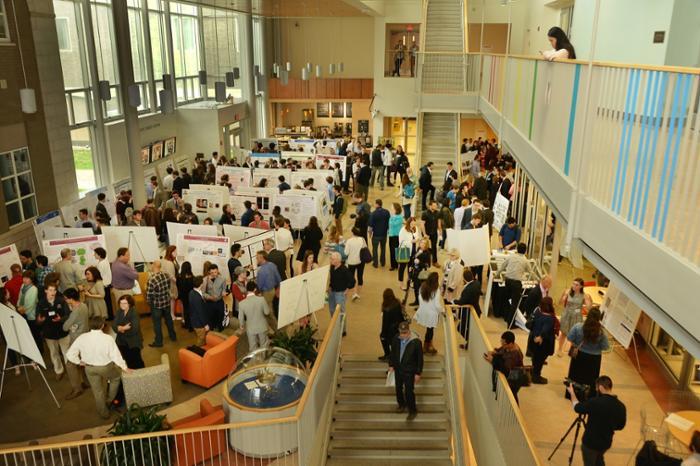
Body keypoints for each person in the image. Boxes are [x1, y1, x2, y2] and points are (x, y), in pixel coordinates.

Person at [66, 316, 131, 419]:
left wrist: (79, 362)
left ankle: (103, 413)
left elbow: (69, 354)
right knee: (116, 378)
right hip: (105, 367)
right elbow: (115, 356)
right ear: (102, 326)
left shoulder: (82, 337)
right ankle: (109, 400)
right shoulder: (107, 338)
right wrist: (125, 367)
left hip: (89, 368)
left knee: (97, 391)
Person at [567, 375, 626, 466]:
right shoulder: (621, 406)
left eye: (597, 388)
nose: (596, 390)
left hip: (590, 443)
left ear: (601, 388)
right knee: (599, 459)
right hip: (606, 443)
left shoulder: (595, 402)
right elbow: (621, 426)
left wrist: (572, 393)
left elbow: (577, 408)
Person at [566, 307, 610, 398]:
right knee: (590, 378)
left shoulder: (578, 326)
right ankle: (587, 396)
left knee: (575, 375)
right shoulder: (601, 332)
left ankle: (571, 394)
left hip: (579, 355)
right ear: (599, 318)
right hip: (594, 358)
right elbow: (605, 347)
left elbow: (569, 337)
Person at [388, 321, 423, 421]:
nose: (403, 335)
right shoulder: (396, 339)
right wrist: (391, 365)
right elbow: (393, 353)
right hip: (398, 369)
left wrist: (418, 373)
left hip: (409, 371)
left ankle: (412, 410)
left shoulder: (416, 342)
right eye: (401, 332)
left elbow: (420, 359)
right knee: (398, 388)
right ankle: (401, 405)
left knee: (409, 391)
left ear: (409, 331)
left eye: (405, 333)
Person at [36, 283, 70, 381]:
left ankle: (70, 370)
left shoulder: (61, 301)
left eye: (54, 290)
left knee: (66, 352)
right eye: (50, 290)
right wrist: (40, 320)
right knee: (54, 353)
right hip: (49, 334)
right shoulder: (41, 303)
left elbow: (68, 315)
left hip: (62, 331)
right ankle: (59, 371)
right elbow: (37, 320)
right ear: (46, 291)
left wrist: (61, 319)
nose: (53, 292)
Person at [61, 287, 90, 400]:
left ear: (71, 299)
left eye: (66, 299)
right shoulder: (83, 305)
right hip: (85, 337)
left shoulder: (75, 312)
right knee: (83, 361)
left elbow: (64, 327)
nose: (65, 300)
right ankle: (86, 382)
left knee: (70, 364)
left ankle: (77, 388)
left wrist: (70, 324)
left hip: (77, 341)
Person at [484, 331, 525, 403]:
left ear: (511, 343)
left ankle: (515, 411)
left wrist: (493, 360)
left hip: (515, 377)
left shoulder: (514, 354)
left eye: (504, 344)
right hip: (512, 373)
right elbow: (502, 350)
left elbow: (506, 369)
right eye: (501, 342)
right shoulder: (507, 346)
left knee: (512, 395)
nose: (502, 345)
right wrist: (495, 352)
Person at [558, 277, 593, 356]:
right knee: (563, 333)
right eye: (573, 284)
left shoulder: (584, 295)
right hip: (566, 314)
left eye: (576, 285)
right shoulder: (567, 291)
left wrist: (589, 300)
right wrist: (564, 296)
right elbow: (559, 303)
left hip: (576, 316)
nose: (574, 286)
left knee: (575, 334)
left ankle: (572, 351)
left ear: (581, 287)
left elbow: (589, 308)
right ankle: (559, 349)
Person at [146, 260, 178, 347]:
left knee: (157, 324)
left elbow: (149, 296)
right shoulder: (166, 275)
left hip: (156, 305)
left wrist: (150, 303)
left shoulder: (151, 279)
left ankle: (159, 342)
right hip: (166, 303)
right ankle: (173, 336)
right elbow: (168, 287)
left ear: (154, 266)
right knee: (169, 321)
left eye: (152, 264)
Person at [527, 296, 558, 384]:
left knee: (535, 358)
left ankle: (533, 373)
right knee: (540, 360)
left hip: (533, 338)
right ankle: (536, 377)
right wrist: (541, 336)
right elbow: (546, 329)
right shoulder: (549, 318)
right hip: (543, 343)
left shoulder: (537, 311)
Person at [497, 242, 529, 326]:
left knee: (507, 299)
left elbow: (502, 266)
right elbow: (530, 271)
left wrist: (496, 275)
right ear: (525, 251)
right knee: (514, 304)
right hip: (516, 284)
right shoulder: (525, 260)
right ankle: (510, 323)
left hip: (508, 281)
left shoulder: (511, 256)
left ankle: (506, 317)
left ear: (517, 249)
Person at [112, 295, 144, 369]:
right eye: (120, 303)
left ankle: (142, 376)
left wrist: (120, 329)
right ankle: (132, 378)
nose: (122, 305)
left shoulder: (134, 312)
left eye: (125, 303)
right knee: (128, 360)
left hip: (133, 342)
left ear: (129, 304)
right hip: (122, 342)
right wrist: (123, 328)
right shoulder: (119, 311)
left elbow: (134, 329)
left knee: (137, 361)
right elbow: (113, 325)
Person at [414, 272, 442, 354]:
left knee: (428, 329)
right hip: (431, 313)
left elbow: (420, 298)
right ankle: (426, 346)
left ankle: (428, 345)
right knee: (430, 330)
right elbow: (437, 305)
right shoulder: (436, 290)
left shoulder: (423, 286)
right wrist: (442, 310)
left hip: (423, 311)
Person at [238, 281, 271, 351]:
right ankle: (264, 359)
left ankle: (255, 361)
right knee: (264, 346)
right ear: (255, 289)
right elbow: (267, 312)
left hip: (250, 328)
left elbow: (241, 318)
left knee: (253, 348)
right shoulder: (261, 299)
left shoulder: (241, 304)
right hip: (262, 326)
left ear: (247, 290)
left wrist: (241, 326)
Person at [328, 252, 354, 336]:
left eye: (332, 259)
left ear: (338, 260)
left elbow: (352, 281)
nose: (330, 260)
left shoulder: (344, 270)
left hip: (340, 293)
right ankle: (334, 326)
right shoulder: (332, 267)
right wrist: (329, 287)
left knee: (341, 312)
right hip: (332, 292)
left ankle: (343, 330)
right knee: (332, 310)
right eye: (331, 258)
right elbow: (332, 279)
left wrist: (347, 289)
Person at [17, 271, 41, 351]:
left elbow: (30, 305)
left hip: (31, 315)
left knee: (36, 333)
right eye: (23, 277)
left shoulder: (34, 289)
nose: (24, 280)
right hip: (22, 312)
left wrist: (22, 311)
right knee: (28, 333)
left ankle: (40, 349)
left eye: (27, 278)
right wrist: (18, 307)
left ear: (32, 279)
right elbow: (19, 297)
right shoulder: (22, 286)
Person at [379, 288, 404, 361]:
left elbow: (385, 323)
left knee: (383, 337)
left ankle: (387, 354)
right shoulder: (397, 302)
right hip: (399, 328)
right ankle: (393, 356)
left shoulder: (386, 308)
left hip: (390, 331)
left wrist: (383, 334)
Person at [255, 251, 281, 320]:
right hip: (273, 290)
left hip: (266, 293)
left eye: (257, 258)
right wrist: (278, 288)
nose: (256, 259)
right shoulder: (272, 265)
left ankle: (276, 328)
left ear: (262, 258)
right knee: (271, 308)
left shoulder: (261, 271)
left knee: (268, 311)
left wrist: (257, 292)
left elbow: (259, 285)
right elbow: (278, 278)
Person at [344, 227, 367, 301]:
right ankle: (357, 293)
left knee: (351, 278)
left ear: (352, 233)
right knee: (360, 276)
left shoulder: (349, 241)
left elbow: (346, 253)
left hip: (351, 262)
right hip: (361, 261)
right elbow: (365, 248)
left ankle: (349, 292)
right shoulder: (362, 239)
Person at [398, 217, 421, 289]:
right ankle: (401, 284)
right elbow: (401, 241)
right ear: (409, 222)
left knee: (411, 268)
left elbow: (417, 236)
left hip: (413, 251)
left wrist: (417, 239)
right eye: (412, 223)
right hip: (405, 250)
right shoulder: (403, 230)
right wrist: (411, 241)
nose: (413, 224)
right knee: (402, 268)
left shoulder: (415, 228)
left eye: (414, 223)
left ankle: (410, 282)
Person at [202, 264, 227, 332]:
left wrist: (223, 292)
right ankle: (211, 331)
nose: (214, 274)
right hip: (210, 303)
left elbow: (224, 289)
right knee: (210, 318)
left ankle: (220, 329)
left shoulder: (222, 279)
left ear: (218, 270)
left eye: (215, 272)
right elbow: (203, 293)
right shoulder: (205, 280)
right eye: (212, 272)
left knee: (220, 315)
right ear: (209, 272)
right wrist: (210, 297)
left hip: (219, 301)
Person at [368, 199, 390, 268]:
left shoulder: (373, 213)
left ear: (377, 204)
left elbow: (370, 226)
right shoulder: (387, 212)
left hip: (376, 235)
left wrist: (370, 234)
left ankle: (375, 263)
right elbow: (389, 222)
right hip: (384, 234)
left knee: (375, 249)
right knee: (383, 248)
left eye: (374, 204)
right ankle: (383, 262)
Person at [189, 276, 209, 345]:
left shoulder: (191, 292)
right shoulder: (197, 298)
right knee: (201, 340)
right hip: (199, 324)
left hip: (194, 320)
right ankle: (199, 351)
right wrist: (205, 325)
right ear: (201, 284)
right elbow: (200, 312)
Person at [162, 245, 180, 320]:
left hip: (171, 283)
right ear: (171, 252)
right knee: (172, 299)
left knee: (171, 299)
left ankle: (171, 315)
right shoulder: (169, 262)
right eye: (175, 251)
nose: (176, 253)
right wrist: (178, 282)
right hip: (171, 284)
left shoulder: (171, 260)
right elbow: (171, 276)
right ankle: (172, 315)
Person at [421, 200, 441, 266]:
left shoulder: (438, 213)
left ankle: (435, 261)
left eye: (436, 206)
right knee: (424, 246)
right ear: (430, 206)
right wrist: (424, 234)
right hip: (426, 232)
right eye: (434, 206)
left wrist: (440, 232)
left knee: (434, 246)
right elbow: (422, 224)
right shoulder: (425, 213)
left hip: (434, 232)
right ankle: (424, 261)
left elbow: (439, 223)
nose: (435, 207)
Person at [177, 261, 195, 330]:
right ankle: (191, 325)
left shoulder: (179, 277)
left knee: (185, 310)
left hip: (183, 296)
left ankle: (186, 324)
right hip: (190, 296)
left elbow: (178, 286)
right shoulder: (192, 277)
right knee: (191, 310)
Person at [388, 203, 404, 271]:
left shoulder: (400, 217)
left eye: (392, 207)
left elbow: (393, 224)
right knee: (391, 250)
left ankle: (397, 264)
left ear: (396, 209)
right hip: (391, 235)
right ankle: (393, 265)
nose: (391, 208)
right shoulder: (393, 216)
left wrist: (391, 219)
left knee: (396, 250)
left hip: (396, 236)